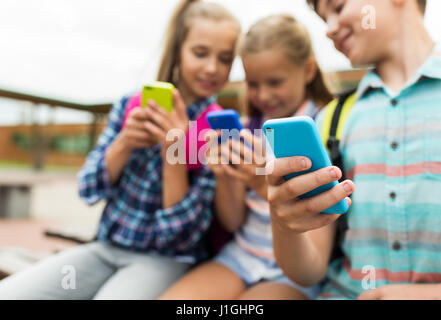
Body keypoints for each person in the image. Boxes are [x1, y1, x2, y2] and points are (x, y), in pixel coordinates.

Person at [0, 0, 240, 300]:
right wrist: (124, 142)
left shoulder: (219, 130)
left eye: (225, 58)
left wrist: (173, 152)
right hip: (104, 250)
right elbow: (87, 189)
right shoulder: (131, 105)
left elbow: (178, 238)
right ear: (179, 48)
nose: (211, 68)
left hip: (164, 262)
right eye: (200, 53)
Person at [267, 0, 441, 300]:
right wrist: (284, 225)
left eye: (338, 7)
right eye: (323, 19)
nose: (329, 29)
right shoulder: (330, 121)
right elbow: (309, 271)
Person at [159, 15, 333, 300]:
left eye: (275, 82)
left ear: (308, 70)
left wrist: (258, 181)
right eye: (253, 83)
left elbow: (317, 218)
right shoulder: (245, 128)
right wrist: (226, 177)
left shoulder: (323, 127)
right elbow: (232, 221)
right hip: (240, 256)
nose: (263, 95)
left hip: (290, 271)